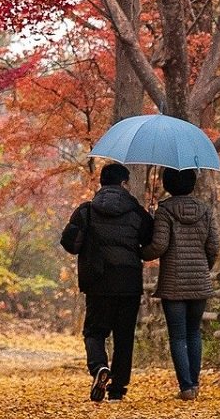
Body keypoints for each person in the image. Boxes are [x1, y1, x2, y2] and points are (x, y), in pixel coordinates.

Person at [61, 163, 154, 402]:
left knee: (94, 332)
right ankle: (117, 389)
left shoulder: (87, 211)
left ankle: (99, 367)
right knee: (124, 336)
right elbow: (150, 240)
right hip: (128, 282)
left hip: (98, 282)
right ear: (123, 184)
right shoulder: (136, 212)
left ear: (102, 183)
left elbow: (70, 244)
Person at [143, 167, 219, 401]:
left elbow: (159, 246)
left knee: (178, 336)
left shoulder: (165, 211)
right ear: (192, 183)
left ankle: (185, 387)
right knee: (194, 332)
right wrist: (203, 268)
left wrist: (141, 252)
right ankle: (194, 385)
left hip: (173, 283)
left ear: (167, 184)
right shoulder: (205, 210)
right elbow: (213, 246)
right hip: (199, 282)